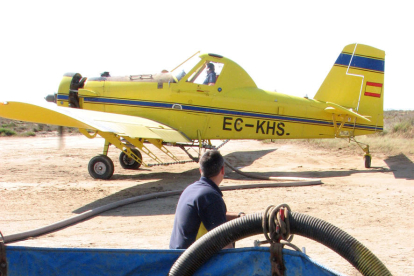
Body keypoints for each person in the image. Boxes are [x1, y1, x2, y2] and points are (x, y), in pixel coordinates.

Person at [169, 150, 244, 249]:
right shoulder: (210, 197)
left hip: (176, 256)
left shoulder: (191, 189)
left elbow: (211, 215)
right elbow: (224, 243)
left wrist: (239, 216)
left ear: (200, 170)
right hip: (191, 260)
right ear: (222, 170)